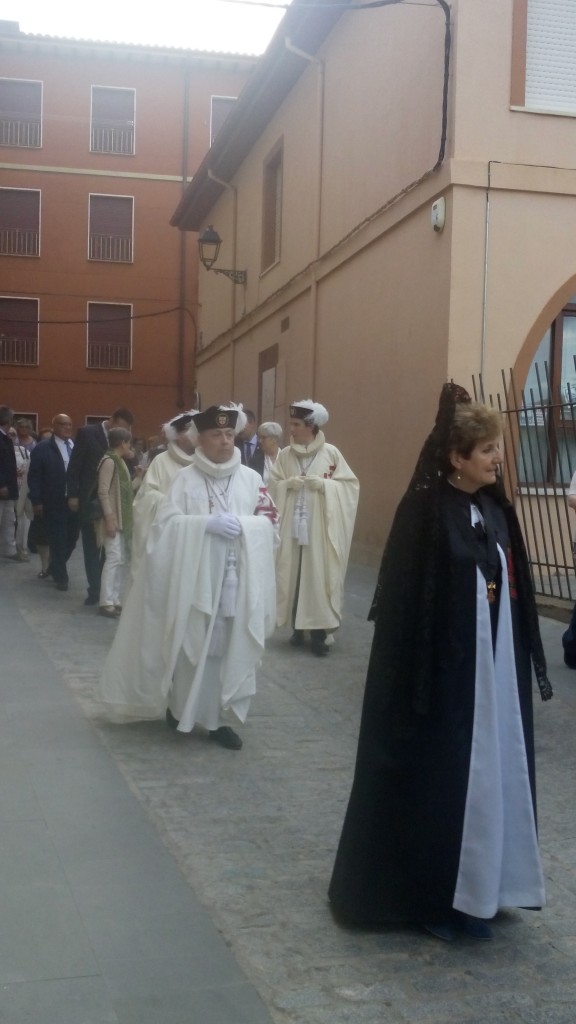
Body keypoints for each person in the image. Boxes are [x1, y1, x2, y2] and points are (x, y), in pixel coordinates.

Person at [328, 383, 553, 943]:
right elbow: (406, 609)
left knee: (490, 776)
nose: (499, 459)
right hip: (439, 683)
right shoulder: (424, 513)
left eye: (498, 449)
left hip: (491, 676)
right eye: (488, 451)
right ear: (457, 457)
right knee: (443, 786)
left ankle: (484, 886)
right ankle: (430, 895)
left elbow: (511, 585)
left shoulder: (493, 509)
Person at [98, 404, 278, 751]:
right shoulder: (185, 479)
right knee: (193, 646)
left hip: (237, 581)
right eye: (216, 435)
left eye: (229, 434)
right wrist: (202, 526)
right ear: (200, 440)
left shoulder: (251, 479)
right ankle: (180, 707)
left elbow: (271, 521)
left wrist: (248, 526)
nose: (225, 441)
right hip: (196, 582)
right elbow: (164, 527)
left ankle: (217, 720)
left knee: (226, 649)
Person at [268, 400, 359, 656]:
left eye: (296, 424)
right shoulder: (285, 455)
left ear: (311, 426)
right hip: (293, 528)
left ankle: (319, 634)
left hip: (320, 528)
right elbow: (271, 485)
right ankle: (298, 628)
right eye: (291, 424)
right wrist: (287, 485)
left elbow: (350, 487)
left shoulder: (331, 453)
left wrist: (326, 487)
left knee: (318, 575)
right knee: (294, 575)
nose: (292, 429)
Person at [67, 407, 134, 605]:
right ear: (111, 420)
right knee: (91, 547)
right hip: (91, 500)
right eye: (121, 426)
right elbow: (75, 464)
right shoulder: (88, 433)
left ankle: (104, 590)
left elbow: (124, 475)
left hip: (114, 503)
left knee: (110, 552)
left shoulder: (123, 443)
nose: (123, 432)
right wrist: (72, 494)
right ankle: (95, 590)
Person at [131, 412, 196, 577]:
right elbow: (145, 498)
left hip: (196, 534)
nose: (195, 434)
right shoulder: (161, 461)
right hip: (167, 535)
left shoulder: (205, 462)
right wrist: (174, 504)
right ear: (177, 436)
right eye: (189, 430)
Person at [27, 414, 80, 591]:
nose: (67, 427)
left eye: (69, 424)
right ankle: (61, 577)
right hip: (53, 501)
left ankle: (54, 566)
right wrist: (37, 500)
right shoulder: (43, 448)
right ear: (54, 426)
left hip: (73, 500)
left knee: (71, 539)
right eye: (63, 424)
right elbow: (34, 476)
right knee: (58, 539)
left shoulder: (75, 446)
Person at [96, 428, 135, 618]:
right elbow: (103, 492)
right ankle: (106, 601)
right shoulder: (110, 461)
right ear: (123, 443)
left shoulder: (119, 462)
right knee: (113, 559)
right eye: (129, 442)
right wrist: (109, 519)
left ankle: (115, 599)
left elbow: (126, 491)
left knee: (119, 559)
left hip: (119, 518)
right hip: (112, 518)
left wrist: (140, 478)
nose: (130, 446)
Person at [0, 406, 19, 560]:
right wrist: (2, 485)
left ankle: (9, 550)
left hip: (9, 486)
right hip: (2, 486)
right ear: (8, 420)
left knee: (9, 520)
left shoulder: (6, 437)